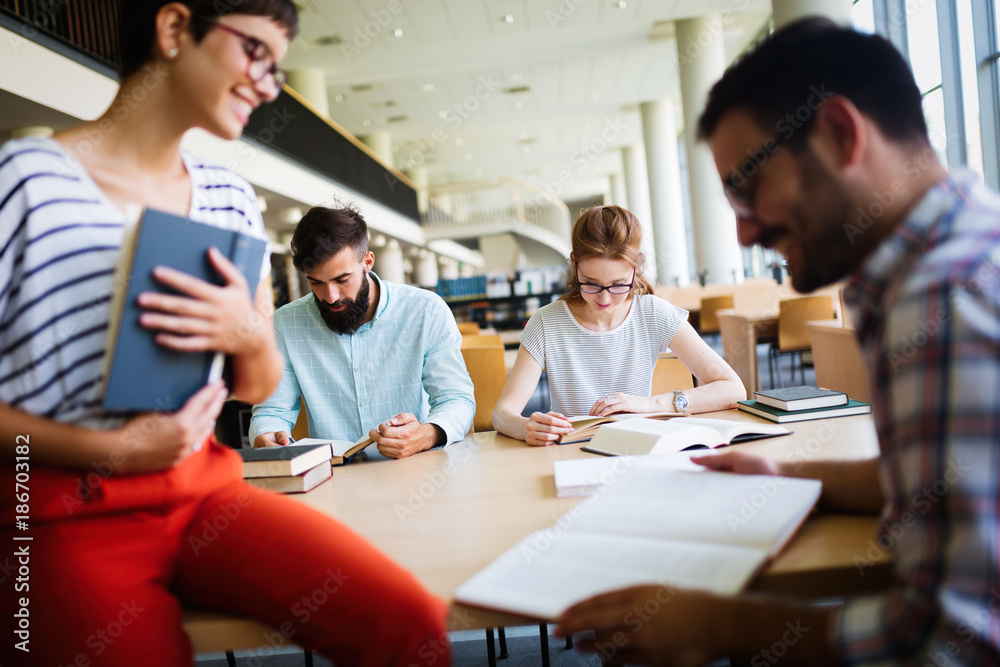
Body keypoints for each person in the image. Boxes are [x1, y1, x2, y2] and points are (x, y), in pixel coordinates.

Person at [0, 3, 448, 665]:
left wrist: (245, 331)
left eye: (280, 65)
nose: (270, 84)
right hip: (61, 507)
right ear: (175, 29)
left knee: (409, 626)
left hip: (204, 489)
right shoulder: (24, 182)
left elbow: (258, 383)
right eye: (256, 53)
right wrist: (113, 450)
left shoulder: (228, 197)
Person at [556, 17, 1000, 666]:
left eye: (747, 191)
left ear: (841, 136)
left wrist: (721, 625)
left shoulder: (943, 299)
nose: (740, 235)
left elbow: (949, 644)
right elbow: (940, 479)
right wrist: (788, 475)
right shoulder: (949, 259)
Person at [492, 205, 745, 446]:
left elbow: (733, 389)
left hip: (639, 447)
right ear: (574, 266)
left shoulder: (653, 313)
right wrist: (524, 427)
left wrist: (651, 405)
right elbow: (502, 414)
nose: (604, 299)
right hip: (571, 454)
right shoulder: (546, 323)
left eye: (618, 285)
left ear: (636, 270)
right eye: (590, 283)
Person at [249, 204, 475, 458]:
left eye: (342, 279)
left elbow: (456, 399)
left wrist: (426, 434)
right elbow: (271, 412)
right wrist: (267, 433)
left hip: (413, 467)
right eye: (316, 282)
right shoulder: (286, 323)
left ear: (367, 262)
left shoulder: (425, 311)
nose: (330, 296)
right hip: (333, 480)